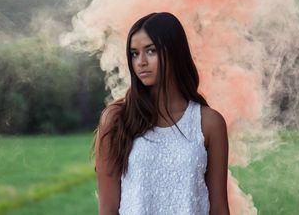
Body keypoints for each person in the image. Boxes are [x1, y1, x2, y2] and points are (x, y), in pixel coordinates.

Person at [91, 12, 230, 215]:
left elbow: (218, 207)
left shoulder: (209, 123)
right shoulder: (116, 118)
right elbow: (108, 209)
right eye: (134, 53)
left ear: (175, 52)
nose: (140, 62)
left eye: (151, 51)